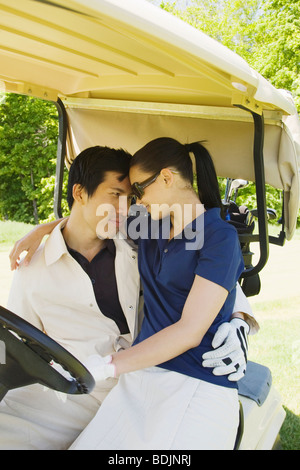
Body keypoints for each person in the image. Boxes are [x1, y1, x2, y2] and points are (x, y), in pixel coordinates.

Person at [1, 145, 257, 450]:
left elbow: (212, 266)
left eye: (132, 197)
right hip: (77, 390)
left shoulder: (138, 234)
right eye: (115, 196)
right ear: (79, 194)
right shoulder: (35, 268)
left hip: (147, 375)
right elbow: (14, 347)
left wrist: (240, 319)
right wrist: (44, 229)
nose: (127, 208)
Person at [70, 138, 251, 451]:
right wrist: (41, 232)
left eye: (140, 190)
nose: (136, 202)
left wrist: (108, 365)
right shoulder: (150, 226)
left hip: (195, 383)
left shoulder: (218, 237)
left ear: (167, 178)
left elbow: (189, 331)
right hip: (141, 378)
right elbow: (88, 220)